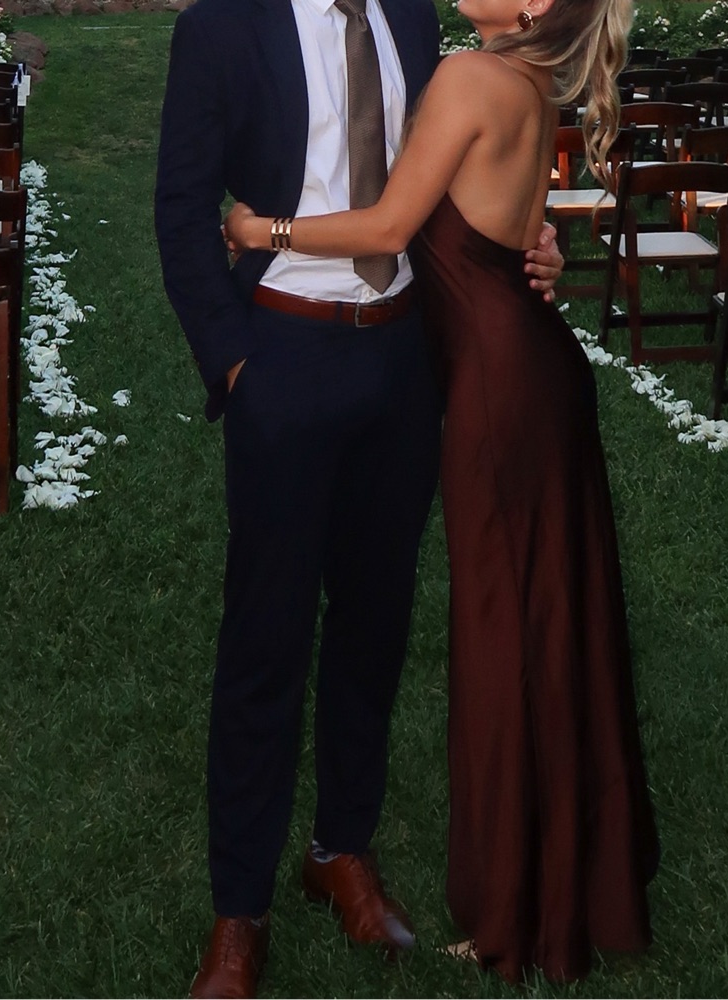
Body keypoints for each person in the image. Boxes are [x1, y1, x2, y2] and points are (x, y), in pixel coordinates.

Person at [223, 0, 661, 985]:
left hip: (498, 390)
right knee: (547, 620)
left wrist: (261, 227)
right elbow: (502, 230)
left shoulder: (470, 76)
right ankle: (566, 874)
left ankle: (518, 907)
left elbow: (388, 226)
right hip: (530, 371)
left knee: (505, 632)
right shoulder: (525, 78)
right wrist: (540, 252)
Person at [154, 0, 563, 996]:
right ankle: (239, 908)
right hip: (282, 353)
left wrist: (530, 240)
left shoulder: (410, 19)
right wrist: (236, 365)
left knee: (373, 626)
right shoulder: (221, 27)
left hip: (398, 361)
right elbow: (180, 205)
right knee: (266, 637)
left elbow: (442, 185)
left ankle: (340, 848)